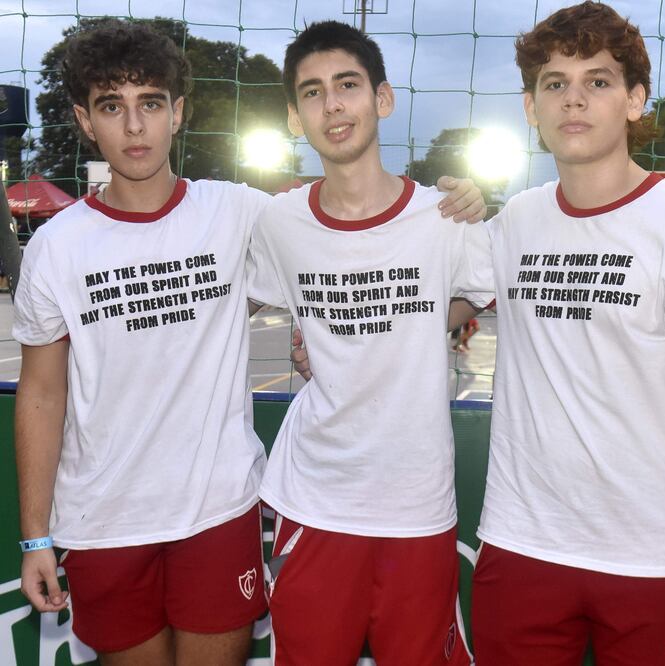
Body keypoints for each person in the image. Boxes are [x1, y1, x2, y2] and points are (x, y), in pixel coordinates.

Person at [12, 20, 485, 665]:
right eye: (111, 107)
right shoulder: (55, 247)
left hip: (221, 509)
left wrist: (462, 196)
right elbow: (41, 392)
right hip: (103, 519)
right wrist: (33, 536)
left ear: (178, 112)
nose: (135, 126)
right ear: (84, 120)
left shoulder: (238, 212)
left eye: (151, 103)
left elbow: (357, 247)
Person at [471, 3, 665, 665]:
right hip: (522, 545)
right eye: (555, 83)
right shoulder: (514, 222)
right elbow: (433, 307)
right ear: (531, 107)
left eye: (597, 81)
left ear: (634, 101)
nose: (573, 99)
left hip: (651, 558)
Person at [247, 20, 494, 666]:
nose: (332, 105)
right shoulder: (279, 222)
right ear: (295, 117)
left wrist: (410, 324)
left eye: (348, 85)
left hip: (417, 504)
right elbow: (230, 304)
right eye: (312, 92)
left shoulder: (445, 217)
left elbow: (472, 295)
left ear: (382, 98)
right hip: (315, 502)